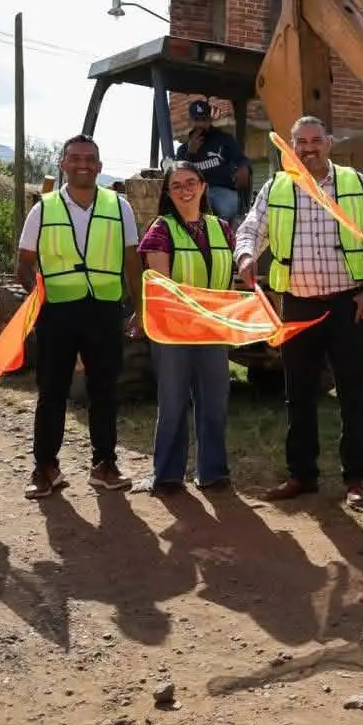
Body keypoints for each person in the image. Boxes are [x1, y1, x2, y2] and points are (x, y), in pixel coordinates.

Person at [234, 115, 363, 508]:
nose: (308, 148)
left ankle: (356, 478)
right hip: (298, 305)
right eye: (300, 142)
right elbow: (251, 228)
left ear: (329, 143)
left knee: (353, 395)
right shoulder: (276, 186)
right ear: (291, 146)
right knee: (298, 394)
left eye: (315, 140)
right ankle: (301, 475)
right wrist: (246, 255)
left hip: (347, 305)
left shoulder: (356, 184)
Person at [16, 135, 142, 499]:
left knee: (104, 390)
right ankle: (45, 468)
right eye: (75, 158)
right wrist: (38, 301)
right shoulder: (43, 209)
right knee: (52, 391)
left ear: (100, 167)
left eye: (90, 159)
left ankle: (104, 465)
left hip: (104, 309)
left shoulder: (120, 207)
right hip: (57, 311)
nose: (83, 164)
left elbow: (132, 262)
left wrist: (139, 309)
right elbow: (24, 264)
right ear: (63, 164)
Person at [134, 161, 234, 495]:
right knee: (173, 403)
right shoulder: (161, 229)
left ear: (203, 186)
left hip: (213, 330)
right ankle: (167, 476)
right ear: (168, 193)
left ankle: (213, 473)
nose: (184, 190)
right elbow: (161, 286)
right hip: (173, 332)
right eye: (176, 185)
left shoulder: (221, 228)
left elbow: (228, 280)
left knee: (214, 402)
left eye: (191, 182)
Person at [175, 98, 251, 220]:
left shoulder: (224, 140)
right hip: (195, 194)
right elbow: (178, 176)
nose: (200, 125)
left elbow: (241, 159)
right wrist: (190, 154)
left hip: (221, 190)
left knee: (227, 206)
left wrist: (244, 167)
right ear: (190, 122)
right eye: (197, 120)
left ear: (210, 120)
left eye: (204, 120)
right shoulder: (183, 150)